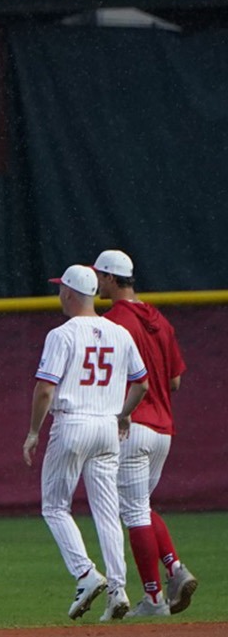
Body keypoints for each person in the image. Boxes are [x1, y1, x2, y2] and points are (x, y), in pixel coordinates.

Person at [25, 265, 148, 621]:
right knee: (108, 512)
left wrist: (34, 432)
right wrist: (124, 414)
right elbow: (142, 383)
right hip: (107, 426)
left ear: (68, 293)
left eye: (61, 288)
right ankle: (119, 589)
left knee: (55, 507)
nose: (59, 294)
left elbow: (46, 388)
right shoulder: (120, 333)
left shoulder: (62, 335)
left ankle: (85, 574)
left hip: (73, 423)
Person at [94, 249, 197, 616]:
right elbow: (176, 380)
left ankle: (153, 598)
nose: (98, 284)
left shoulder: (114, 322)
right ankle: (174, 568)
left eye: (99, 277)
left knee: (134, 511)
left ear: (108, 279)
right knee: (141, 506)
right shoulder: (159, 319)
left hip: (132, 424)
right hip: (163, 429)